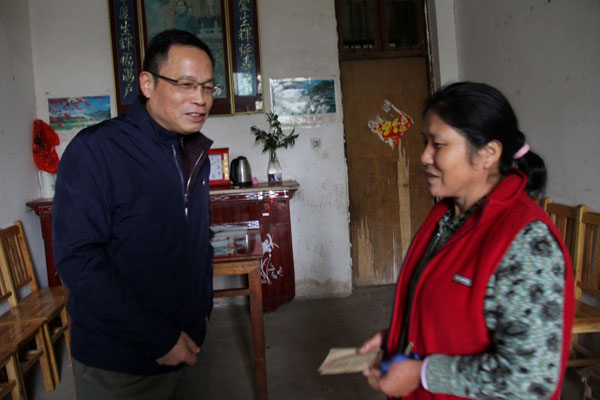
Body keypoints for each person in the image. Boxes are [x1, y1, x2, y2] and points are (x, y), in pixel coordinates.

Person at [359, 81, 574, 400]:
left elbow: (530, 381)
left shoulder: (526, 242)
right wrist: (402, 335)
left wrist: (422, 373)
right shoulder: (447, 216)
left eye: (438, 145)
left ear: (488, 153)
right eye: (425, 143)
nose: (424, 157)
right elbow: (453, 313)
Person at [52, 29, 222, 399]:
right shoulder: (96, 151)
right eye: (186, 84)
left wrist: (202, 312)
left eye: (208, 87)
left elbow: (196, 238)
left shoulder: (194, 153)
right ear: (147, 83)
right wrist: (159, 338)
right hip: (120, 363)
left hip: (191, 344)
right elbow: (78, 260)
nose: (201, 99)